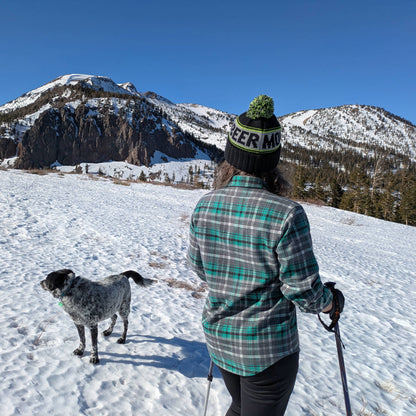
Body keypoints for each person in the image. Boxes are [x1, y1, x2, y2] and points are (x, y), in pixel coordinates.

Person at [187, 95, 344, 416]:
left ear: (231, 157)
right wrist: (331, 302)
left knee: (240, 405)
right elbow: (304, 293)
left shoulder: (205, 204)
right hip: (268, 352)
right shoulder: (287, 213)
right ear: (273, 161)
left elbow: (199, 268)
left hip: (220, 339)